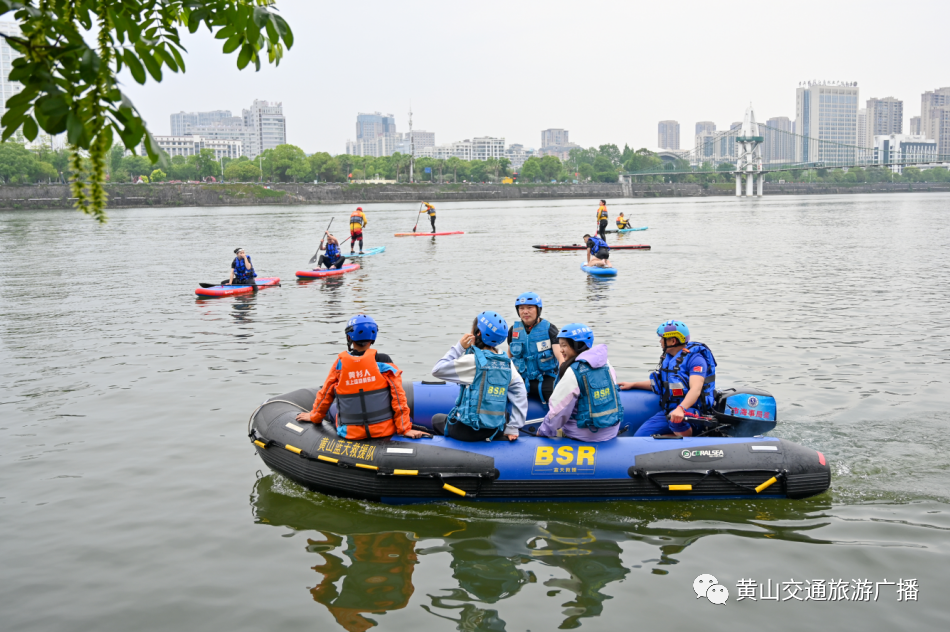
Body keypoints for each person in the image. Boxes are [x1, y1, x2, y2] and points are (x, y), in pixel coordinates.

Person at [295, 315, 430, 440]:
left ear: (349, 338)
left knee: (332, 408)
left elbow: (325, 395)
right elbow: (399, 397)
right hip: (384, 430)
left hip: (350, 433)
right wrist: (404, 429)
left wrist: (314, 417)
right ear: (373, 338)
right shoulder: (384, 361)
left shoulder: (340, 364)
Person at [431, 311, 527, 441]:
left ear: (478, 333)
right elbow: (520, 391)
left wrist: (459, 347)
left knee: (436, 419)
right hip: (495, 430)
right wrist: (513, 427)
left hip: (468, 431)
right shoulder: (507, 362)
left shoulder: (471, 361)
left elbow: (437, 370)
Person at [618, 320, 717, 437]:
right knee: (640, 436)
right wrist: (633, 385)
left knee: (675, 421)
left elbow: (696, 389)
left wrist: (681, 409)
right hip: (670, 412)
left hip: (692, 412)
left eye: (662, 338)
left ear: (672, 340)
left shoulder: (696, 359)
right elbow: (661, 384)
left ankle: (689, 438)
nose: (660, 341)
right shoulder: (669, 358)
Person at [537, 323, 623, 441]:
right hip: (611, 432)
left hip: (584, 435)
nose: (561, 350)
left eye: (564, 345)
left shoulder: (573, 371)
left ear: (578, 345)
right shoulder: (606, 364)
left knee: (553, 427)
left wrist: (543, 431)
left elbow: (558, 411)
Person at [507, 292, 563, 403]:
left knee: (560, 403)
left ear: (538, 309)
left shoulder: (549, 329)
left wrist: (564, 378)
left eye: (530, 308)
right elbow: (509, 358)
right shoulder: (513, 330)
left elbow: (561, 357)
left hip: (545, 378)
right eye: (521, 308)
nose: (525, 311)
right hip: (521, 379)